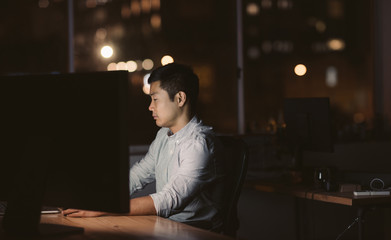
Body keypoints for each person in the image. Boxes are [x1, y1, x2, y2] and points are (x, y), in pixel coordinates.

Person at [63, 63, 224, 231]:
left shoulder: (199, 144)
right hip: (167, 226)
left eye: (155, 99)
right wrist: (100, 199)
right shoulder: (163, 134)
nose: (150, 107)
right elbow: (139, 174)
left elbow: (168, 199)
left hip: (196, 232)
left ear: (179, 99)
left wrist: (105, 208)